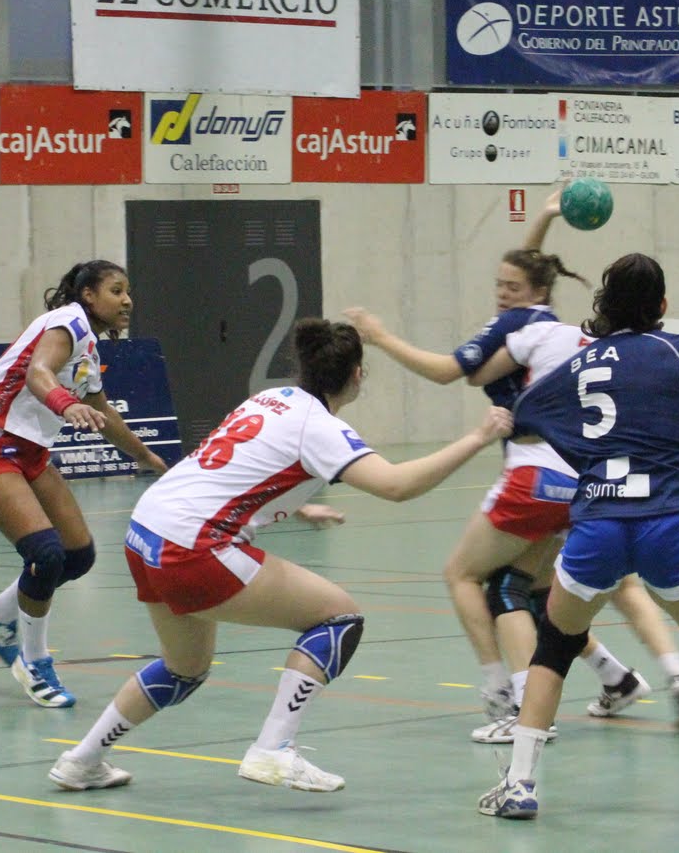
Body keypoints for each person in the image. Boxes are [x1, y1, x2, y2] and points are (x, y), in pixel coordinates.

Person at [48, 318, 513, 794]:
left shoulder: (271, 399)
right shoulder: (323, 428)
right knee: (339, 618)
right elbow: (397, 486)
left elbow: (234, 465)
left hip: (147, 529)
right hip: (193, 545)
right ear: (357, 376)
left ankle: (82, 760)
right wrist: (477, 438)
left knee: (182, 668)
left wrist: (296, 503)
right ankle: (273, 749)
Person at [345, 192, 679, 741]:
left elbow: (450, 371)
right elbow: (529, 273)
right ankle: (616, 678)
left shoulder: (517, 328)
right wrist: (545, 219)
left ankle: (506, 697)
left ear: (532, 294)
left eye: (510, 288)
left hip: (532, 471)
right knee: (528, 593)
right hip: (581, 480)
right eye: (497, 285)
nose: (501, 293)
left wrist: (380, 336)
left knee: (464, 575)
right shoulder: (553, 327)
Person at [478, 252, 679, 820]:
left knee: (555, 643)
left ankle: (520, 783)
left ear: (604, 305)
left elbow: (522, 415)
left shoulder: (576, 367)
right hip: (667, 523)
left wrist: (584, 456)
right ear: (663, 307)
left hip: (597, 524)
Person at [0, 260, 169, 708]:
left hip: (29, 452)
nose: (127, 300)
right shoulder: (66, 321)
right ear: (88, 295)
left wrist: (147, 457)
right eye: (116, 290)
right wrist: (64, 403)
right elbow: (38, 374)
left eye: (129, 291)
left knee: (77, 554)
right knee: (45, 553)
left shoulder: (88, 346)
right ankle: (33, 662)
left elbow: (105, 415)